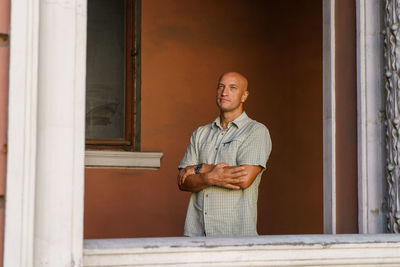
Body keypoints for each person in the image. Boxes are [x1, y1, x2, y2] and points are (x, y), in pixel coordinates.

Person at [177, 71, 272, 237]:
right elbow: (183, 181)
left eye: (232, 88)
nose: (224, 92)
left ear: (244, 96)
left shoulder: (256, 131)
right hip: (196, 235)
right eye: (221, 86)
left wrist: (202, 167)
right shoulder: (200, 133)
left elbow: (243, 178)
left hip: (235, 236)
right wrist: (209, 177)